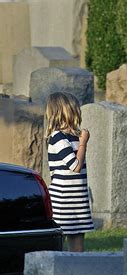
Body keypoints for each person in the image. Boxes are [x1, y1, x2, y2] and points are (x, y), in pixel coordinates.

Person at [45, 92, 94, 252]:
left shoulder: (74, 137)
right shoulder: (57, 137)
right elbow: (75, 166)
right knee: (58, 243)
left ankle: (78, 274)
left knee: (78, 243)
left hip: (78, 199)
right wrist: (84, 144)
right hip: (62, 201)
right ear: (67, 112)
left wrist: (80, 142)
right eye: (76, 109)